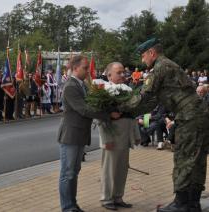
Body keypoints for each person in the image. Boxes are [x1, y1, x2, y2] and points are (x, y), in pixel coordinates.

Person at [120, 38, 209, 212]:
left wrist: (119, 107)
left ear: (152, 53)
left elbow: (145, 96)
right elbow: (152, 101)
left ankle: (182, 203)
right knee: (196, 158)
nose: (142, 60)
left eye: (143, 55)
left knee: (183, 157)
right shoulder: (168, 65)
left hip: (189, 116)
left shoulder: (161, 67)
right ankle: (193, 202)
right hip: (198, 114)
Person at [57, 55, 118, 212]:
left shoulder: (82, 85)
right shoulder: (71, 86)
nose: (87, 71)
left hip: (79, 134)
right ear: (75, 68)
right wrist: (107, 115)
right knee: (68, 173)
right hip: (70, 135)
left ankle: (72, 204)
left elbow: (90, 104)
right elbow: (83, 109)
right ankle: (68, 207)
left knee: (74, 172)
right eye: (85, 68)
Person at [98, 62, 140, 210]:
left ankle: (118, 196)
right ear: (109, 75)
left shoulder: (128, 91)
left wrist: (135, 133)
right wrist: (105, 139)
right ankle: (106, 198)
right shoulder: (104, 92)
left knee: (122, 169)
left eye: (123, 72)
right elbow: (101, 118)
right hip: (112, 137)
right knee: (109, 170)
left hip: (125, 136)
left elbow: (132, 115)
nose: (123, 75)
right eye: (119, 73)